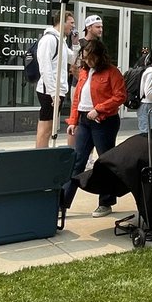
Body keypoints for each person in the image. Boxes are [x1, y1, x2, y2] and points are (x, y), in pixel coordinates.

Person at [63, 38, 125, 218]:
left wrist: (99, 109)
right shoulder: (84, 71)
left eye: (91, 58)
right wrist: (73, 120)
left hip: (104, 121)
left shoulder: (112, 72)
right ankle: (63, 203)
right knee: (77, 161)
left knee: (104, 162)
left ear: (99, 56)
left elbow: (120, 96)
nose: (88, 62)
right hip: (85, 120)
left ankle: (106, 201)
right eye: (85, 58)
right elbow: (77, 98)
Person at [34, 10, 76, 148]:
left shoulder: (61, 41)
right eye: (71, 23)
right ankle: (39, 156)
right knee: (45, 127)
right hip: (50, 91)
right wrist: (53, 93)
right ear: (62, 21)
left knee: (49, 126)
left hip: (57, 90)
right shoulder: (49, 40)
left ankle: (42, 154)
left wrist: (75, 44)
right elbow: (45, 67)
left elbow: (73, 58)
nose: (73, 26)